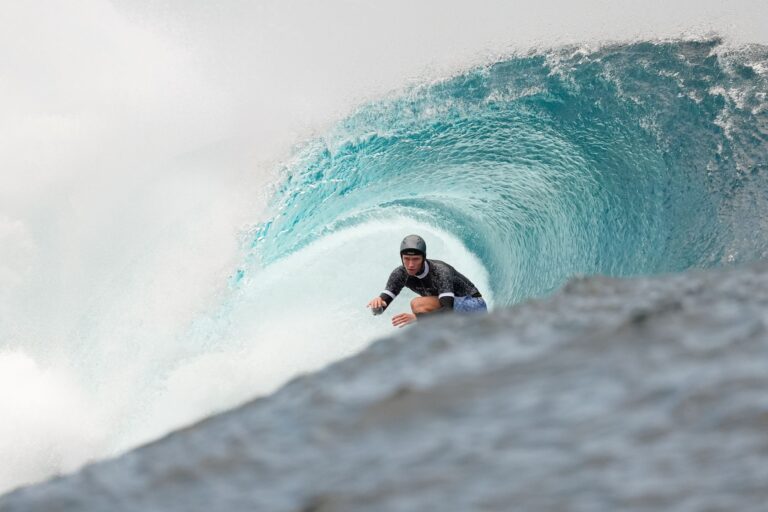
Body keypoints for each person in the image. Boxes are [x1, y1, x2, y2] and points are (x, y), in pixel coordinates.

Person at [367, 234, 488, 327]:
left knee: (418, 304)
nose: (410, 264)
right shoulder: (399, 274)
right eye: (406, 259)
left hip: (474, 305)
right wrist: (377, 305)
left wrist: (417, 318)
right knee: (421, 309)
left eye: (415, 259)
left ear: (424, 258)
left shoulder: (440, 271)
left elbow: (448, 309)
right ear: (401, 258)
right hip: (450, 311)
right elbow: (378, 312)